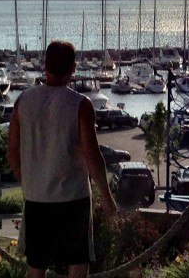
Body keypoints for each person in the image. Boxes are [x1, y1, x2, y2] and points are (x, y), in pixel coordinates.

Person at [7, 40, 117, 278]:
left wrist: (27, 184)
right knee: (78, 265)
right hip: (73, 198)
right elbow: (93, 156)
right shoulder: (80, 105)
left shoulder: (22, 102)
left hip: (36, 198)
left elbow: (12, 152)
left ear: (44, 66)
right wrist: (107, 199)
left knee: (35, 267)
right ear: (73, 68)